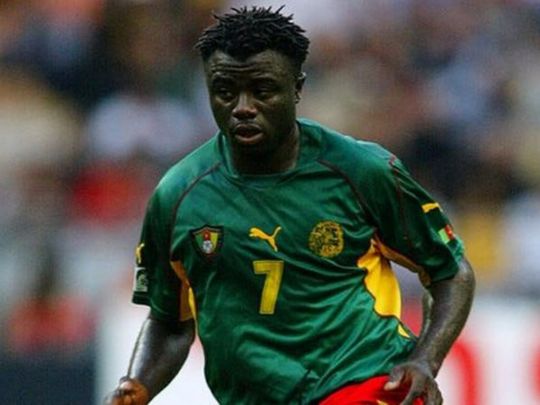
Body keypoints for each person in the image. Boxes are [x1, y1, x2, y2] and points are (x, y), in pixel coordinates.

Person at [106, 6, 475, 405]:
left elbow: (450, 272)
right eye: (225, 91)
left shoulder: (361, 171)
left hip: (364, 384)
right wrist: (137, 385)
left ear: (297, 87)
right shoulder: (177, 195)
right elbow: (169, 323)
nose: (243, 107)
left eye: (262, 91)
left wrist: (425, 360)